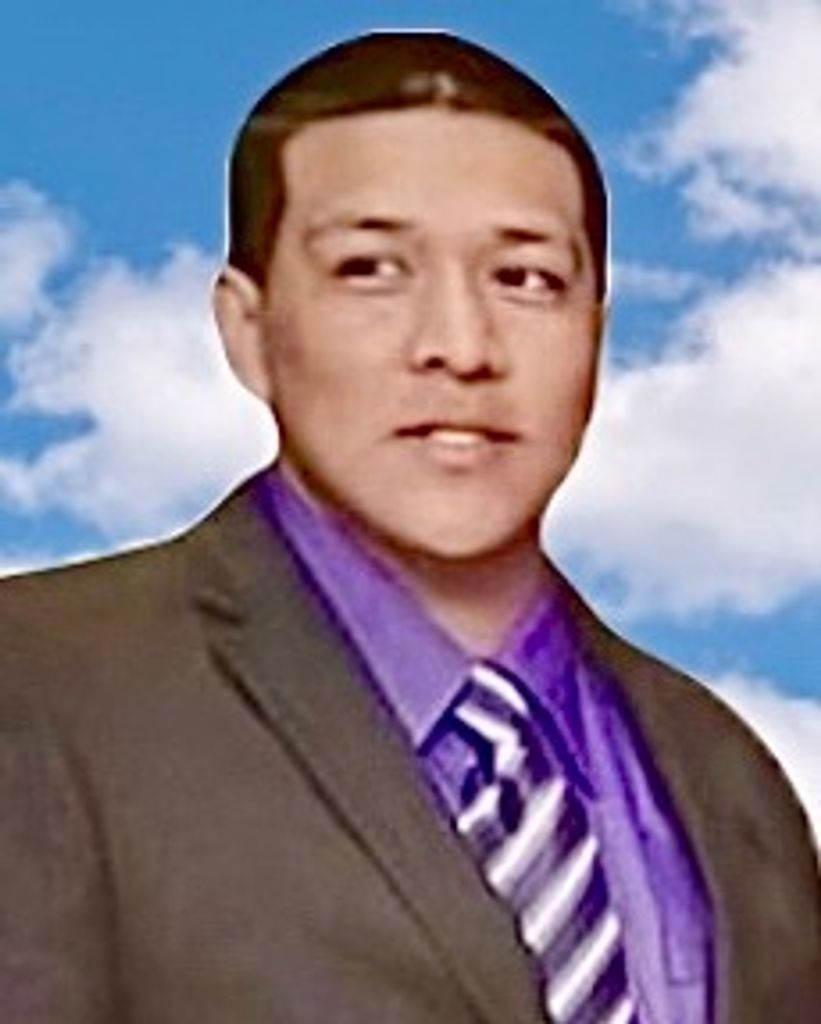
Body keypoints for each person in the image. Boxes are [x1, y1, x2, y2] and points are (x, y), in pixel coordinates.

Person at [0, 31, 818, 1024]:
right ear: (248, 330)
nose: (460, 347)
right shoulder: (39, 682)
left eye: (524, 279)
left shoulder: (724, 774)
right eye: (372, 269)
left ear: (595, 331)